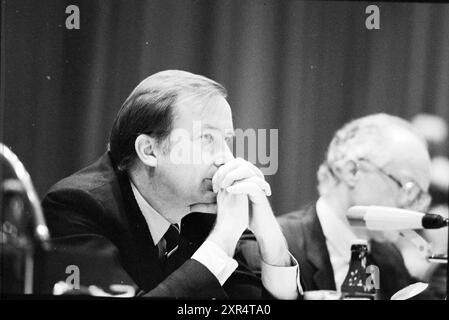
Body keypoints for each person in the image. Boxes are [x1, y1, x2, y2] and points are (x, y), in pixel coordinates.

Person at [41, 70, 300, 299]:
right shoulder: (75, 207)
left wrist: (271, 243)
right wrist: (222, 239)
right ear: (149, 150)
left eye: (228, 141)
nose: (227, 159)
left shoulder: (208, 208)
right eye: (206, 138)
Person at [277, 114, 435, 299]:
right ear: (352, 171)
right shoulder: (280, 246)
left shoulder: (389, 258)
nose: (414, 209)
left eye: (420, 197)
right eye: (408, 188)